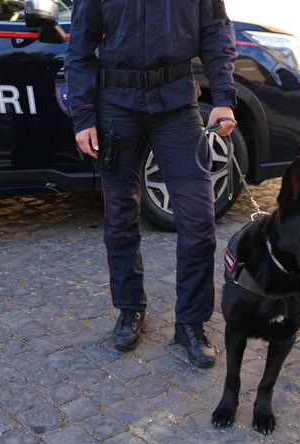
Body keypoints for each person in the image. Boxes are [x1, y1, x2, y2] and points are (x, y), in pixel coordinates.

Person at [65, 0, 238, 368]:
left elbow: (215, 32)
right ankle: (130, 310)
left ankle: (190, 324)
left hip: (176, 105)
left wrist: (223, 98)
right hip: (116, 106)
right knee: (121, 218)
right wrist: (82, 115)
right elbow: (80, 45)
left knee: (198, 222)